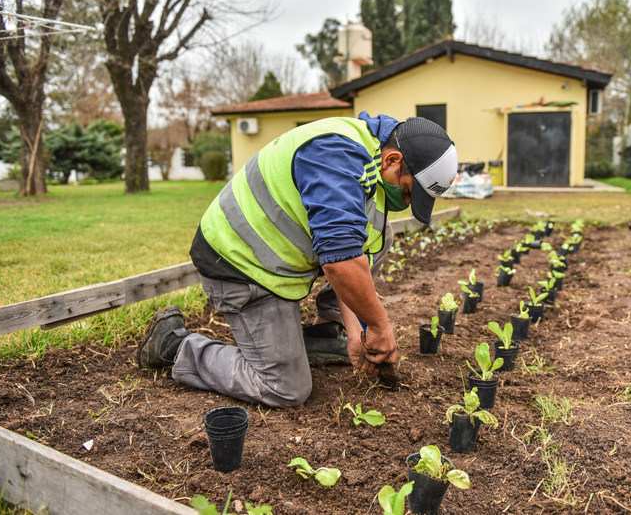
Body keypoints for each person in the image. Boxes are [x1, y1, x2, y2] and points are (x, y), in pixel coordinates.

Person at [136, 112, 458, 407]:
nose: (404, 201)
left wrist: (357, 329)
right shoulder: (336, 156)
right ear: (393, 160)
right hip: (238, 263)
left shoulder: (372, 163)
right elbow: (340, 261)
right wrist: (379, 325)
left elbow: (351, 252)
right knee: (285, 387)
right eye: (407, 192)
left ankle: (324, 333)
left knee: (379, 233)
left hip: (275, 261)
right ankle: (174, 346)